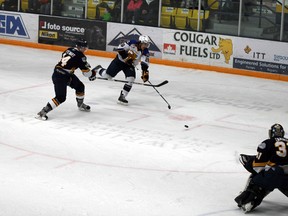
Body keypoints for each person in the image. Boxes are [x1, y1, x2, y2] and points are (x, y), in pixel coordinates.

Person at [36, 39, 97, 120]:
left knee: (80, 86)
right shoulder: (81, 57)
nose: (85, 49)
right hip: (61, 77)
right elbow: (86, 73)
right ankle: (42, 112)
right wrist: (92, 74)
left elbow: (70, 61)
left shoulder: (69, 50)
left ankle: (80, 105)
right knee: (60, 97)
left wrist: (82, 64)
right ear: (80, 47)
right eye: (84, 48)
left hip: (61, 73)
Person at [234, 123, 288, 213]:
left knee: (257, 178)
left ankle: (249, 201)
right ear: (282, 133)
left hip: (273, 176)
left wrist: (249, 164)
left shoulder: (266, 143)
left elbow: (258, 168)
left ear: (271, 133)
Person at [93, 35, 150, 105]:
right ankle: (98, 69)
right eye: (145, 44)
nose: (146, 46)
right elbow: (120, 48)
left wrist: (145, 72)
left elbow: (144, 63)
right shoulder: (132, 43)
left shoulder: (145, 51)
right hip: (119, 62)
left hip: (129, 65)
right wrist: (126, 57)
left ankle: (122, 96)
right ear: (140, 42)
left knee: (131, 79)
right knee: (107, 76)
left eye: (147, 44)